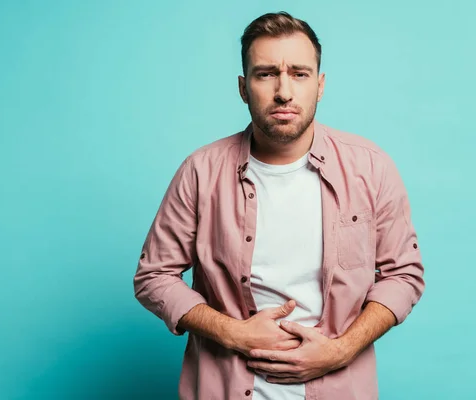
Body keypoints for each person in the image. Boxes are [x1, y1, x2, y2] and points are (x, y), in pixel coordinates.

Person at [133, 11, 425, 400]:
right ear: (243, 87)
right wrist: (232, 332)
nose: (284, 91)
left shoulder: (370, 168)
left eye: (299, 74)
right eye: (266, 73)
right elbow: (153, 276)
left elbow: (403, 275)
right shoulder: (201, 172)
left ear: (319, 86)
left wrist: (340, 350)